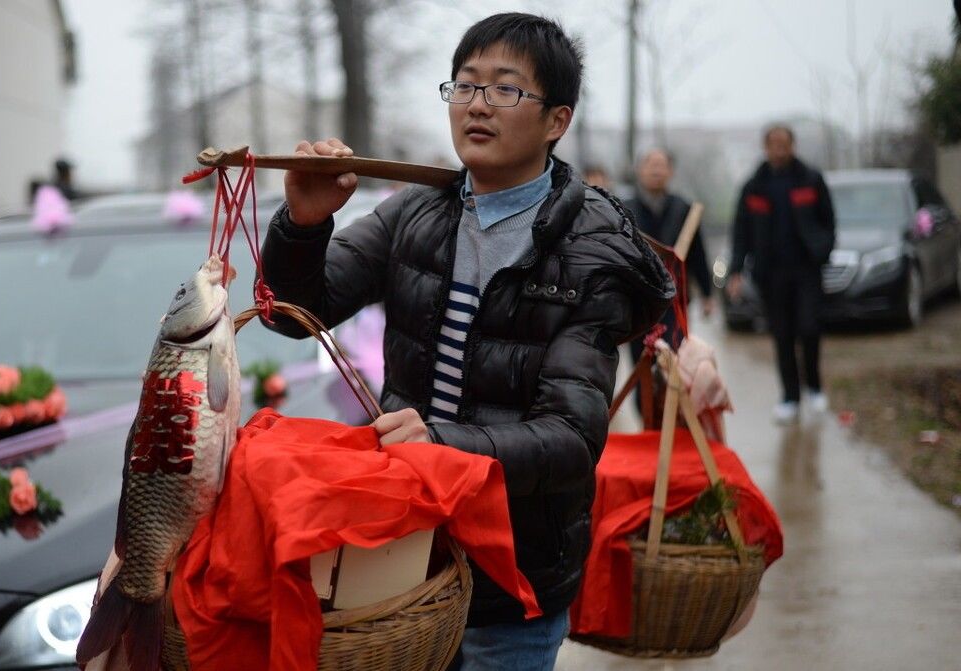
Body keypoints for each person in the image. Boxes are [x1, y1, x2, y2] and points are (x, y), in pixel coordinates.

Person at [260, 13, 673, 670]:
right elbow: (292, 313)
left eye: (505, 89)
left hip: (514, 571)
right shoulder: (414, 214)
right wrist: (303, 225)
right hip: (405, 557)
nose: (478, 104)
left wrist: (439, 445)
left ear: (556, 121)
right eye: (465, 85)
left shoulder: (590, 252)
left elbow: (570, 438)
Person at [727, 124, 835, 424]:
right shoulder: (754, 186)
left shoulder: (810, 179)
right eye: (773, 143)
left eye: (783, 143)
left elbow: (829, 221)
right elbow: (741, 232)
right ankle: (790, 396)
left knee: (810, 328)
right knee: (782, 335)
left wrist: (822, 250)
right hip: (771, 274)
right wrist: (736, 271)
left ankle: (813, 386)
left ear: (792, 145)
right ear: (766, 147)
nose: (778, 148)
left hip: (806, 271)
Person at [624, 148, 714, 361]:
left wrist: (707, 294)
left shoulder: (684, 209)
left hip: (674, 299)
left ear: (671, 171)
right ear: (640, 170)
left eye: (661, 165)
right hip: (638, 301)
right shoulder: (623, 209)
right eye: (650, 164)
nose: (656, 170)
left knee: (674, 361)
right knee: (642, 363)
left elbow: (698, 254)